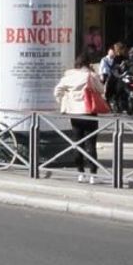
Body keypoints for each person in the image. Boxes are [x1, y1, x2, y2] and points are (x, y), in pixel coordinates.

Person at [52, 51, 104, 183]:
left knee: (77, 143)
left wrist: (64, 101)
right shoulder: (91, 76)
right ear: (88, 63)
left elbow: (57, 91)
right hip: (89, 112)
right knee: (91, 144)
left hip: (74, 114)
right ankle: (93, 174)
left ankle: (80, 173)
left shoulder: (68, 76)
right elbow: (101, 90)